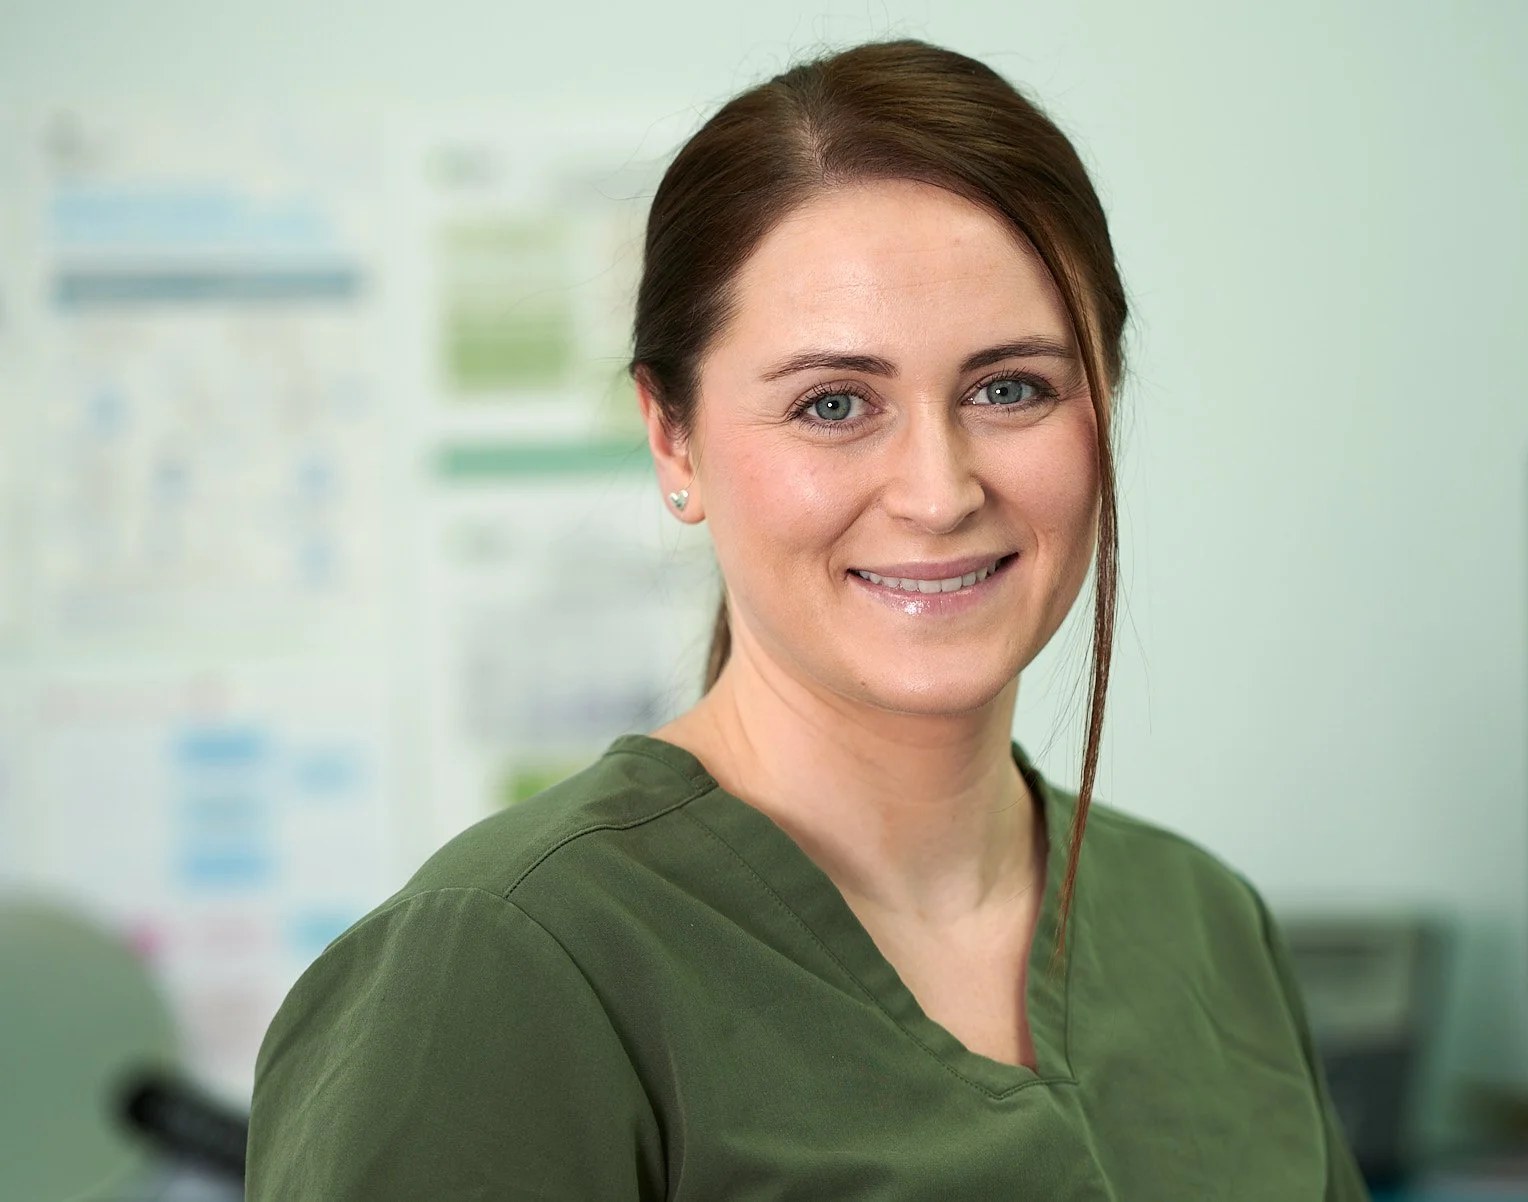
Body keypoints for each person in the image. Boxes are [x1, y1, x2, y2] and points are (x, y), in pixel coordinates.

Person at [246, 39, 1368, 1201]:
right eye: (834, 403)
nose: (939, 490)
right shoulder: (500, 966)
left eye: (1011, 388)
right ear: (673, 439)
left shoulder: (1204, 925)